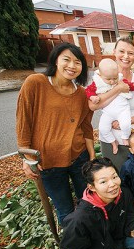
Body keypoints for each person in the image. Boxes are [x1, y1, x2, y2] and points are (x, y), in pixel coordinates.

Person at [16, 42, 95, 224]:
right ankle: (73, 248)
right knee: (65, 209)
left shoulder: (81, 94)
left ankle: (91, 240)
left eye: (77, 62)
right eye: (66, 60)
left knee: (89, 202)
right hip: (48, 161)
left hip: (79, 158)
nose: (72, 66)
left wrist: (91, 155)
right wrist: (26, 157)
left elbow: (86, 127)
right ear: (56, 61)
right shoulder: (36, 83)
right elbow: (23, 121)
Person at [88, 37, 134, 171]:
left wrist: (126, 122)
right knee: (117, 177)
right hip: (112, 140)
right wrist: (118, 88)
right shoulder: (101, 77)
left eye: (130, 53)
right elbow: (93, 106)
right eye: (122, 51)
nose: (126, 56)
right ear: (114, 52)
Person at [86, 58, 134, 155]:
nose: (112, 81)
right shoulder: (97, 82)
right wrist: (92, 96)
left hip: (122, 109)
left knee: (125, 124)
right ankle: (112, 142)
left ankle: (125, 138)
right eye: (108, 79)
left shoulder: (120, 79)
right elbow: (88, 91)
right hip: (107, 112)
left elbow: (129, 86)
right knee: (103, 129)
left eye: (114, 78)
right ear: (100, 75)